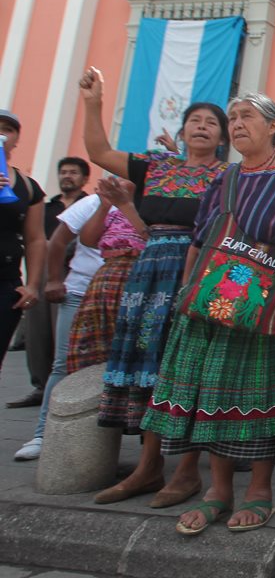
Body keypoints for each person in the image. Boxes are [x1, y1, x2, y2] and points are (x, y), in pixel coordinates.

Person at [141, 93, 275, 536]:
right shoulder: (226, 178)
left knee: (259, 396)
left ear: (274, 126)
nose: (236, 124)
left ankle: (259, 491)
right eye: (232, 118)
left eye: (246, 117)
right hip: (210, 300)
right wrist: (187, 292)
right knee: (209, 393)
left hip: (265, 301)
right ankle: (218, 491)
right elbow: (201, 236)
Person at [79, 67, 228, 508]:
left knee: (188, 371)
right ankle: (148, 467)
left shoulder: (227, 177)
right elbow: (98, 150)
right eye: (195, 120)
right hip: (148, 273)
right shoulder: (153, 166)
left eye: (211, 122)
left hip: (198, 272)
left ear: (222, 137)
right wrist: (93, 102)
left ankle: (186, 472)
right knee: (150, 369)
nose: (202, 126)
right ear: (181, 131)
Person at [14, 175, 145, 461]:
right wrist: (53, 281)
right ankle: (42, 435)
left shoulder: (152, 206)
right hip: (82, 289)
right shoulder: (93, 202)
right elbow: (64, 241)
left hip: (134, 293)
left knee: (136, 368)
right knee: (65, 364)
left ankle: (139, 447)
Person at [11, 157, 91, 410]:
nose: (67, 176)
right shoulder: (46, 207)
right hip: (42, 268)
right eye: (64, 172)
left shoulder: (88, 205)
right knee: (38, 328)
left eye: (74, 172)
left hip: (71, 271)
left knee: (62, 330)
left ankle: (62, 386)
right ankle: (39, 385)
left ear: (85, 178)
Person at [66, 178, 148, 376]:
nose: (119, 182)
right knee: (93, 341)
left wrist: (126, 205)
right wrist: (104, 206)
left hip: (140, 275)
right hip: (107, 276)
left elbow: (149, 236)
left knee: (132, 342)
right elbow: (88, 239)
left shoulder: (152, 209)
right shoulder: (112, 212)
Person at [0, 109, 46, 389]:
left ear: (16, 139)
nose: (2, 133)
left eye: (9, 129)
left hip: (5, 282)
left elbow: (35, 239)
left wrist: (32, 285)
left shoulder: (28, 187)